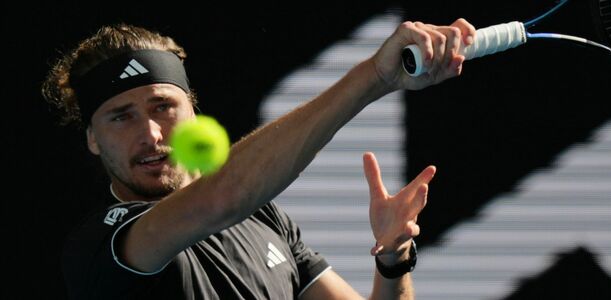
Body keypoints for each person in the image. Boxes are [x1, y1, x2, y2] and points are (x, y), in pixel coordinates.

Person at [42, 17, 476, 300]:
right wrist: (375, 77)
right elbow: (222, 198)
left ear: (193, 112)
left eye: (162, 107)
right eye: (121, 117)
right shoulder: (101, 248)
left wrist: (393, 259)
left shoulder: (265, 218)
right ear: (93, 139)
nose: (151, 134)